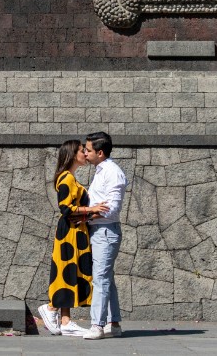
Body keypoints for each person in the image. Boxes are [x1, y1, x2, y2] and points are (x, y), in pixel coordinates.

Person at [37, 140, 109, 336]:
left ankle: (66, 320)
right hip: (69, 231)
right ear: (72, 154)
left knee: (70, 272)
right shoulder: (66, 178)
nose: (85, 154)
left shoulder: (70, 177)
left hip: (75, 230)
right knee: (66, 271)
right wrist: (91, 209)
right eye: (81, 151)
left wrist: (90, 214)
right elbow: (65, 208)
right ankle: (51, 307)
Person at [81, 131, 128, 340]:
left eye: (88, 150)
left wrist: (88, 214)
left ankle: (97, 326)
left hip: (106, 231)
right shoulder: (101, 171)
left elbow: (112, 208)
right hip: (99, 230)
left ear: (100, 153)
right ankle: (113, 324)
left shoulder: (112, 172)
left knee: (100, 278)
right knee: (106, 278)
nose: (85, 153)